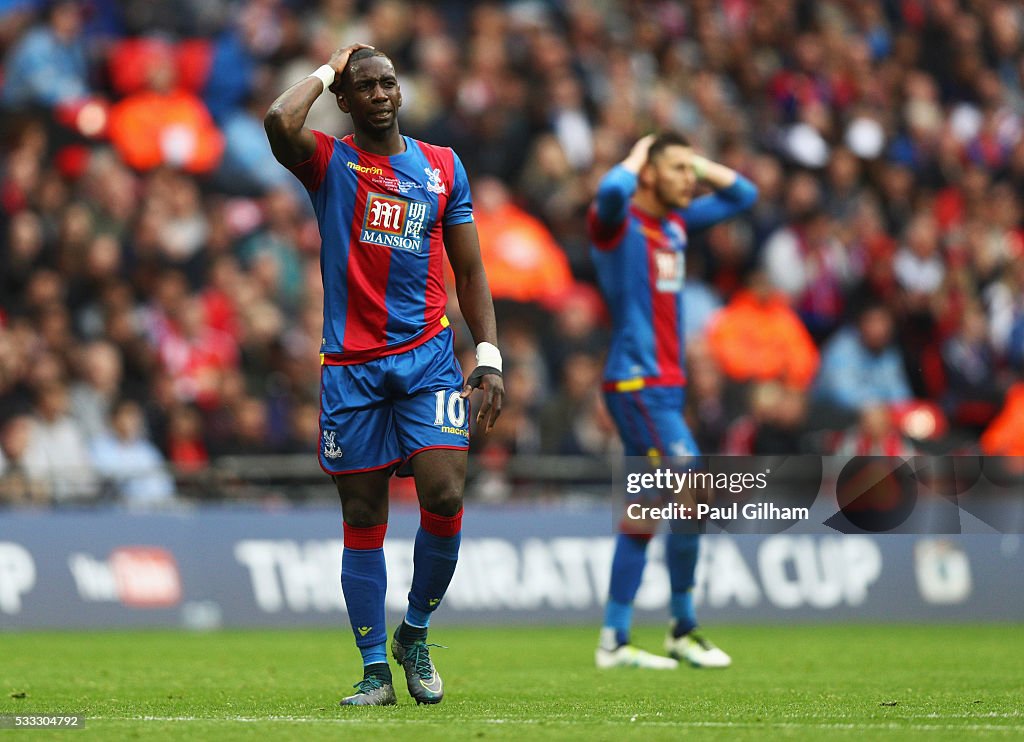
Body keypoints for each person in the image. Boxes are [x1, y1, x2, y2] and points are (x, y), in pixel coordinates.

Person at [264, 44, 504, 706]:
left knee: (446, 495)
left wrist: (488, 355)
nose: (379, 93)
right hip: (352, 368)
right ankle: (374, 671)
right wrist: (325, 67)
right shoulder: (329, 162)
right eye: (364, 85)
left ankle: (415, 634)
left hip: (428, 359)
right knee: (363, 512)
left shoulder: (442, 167)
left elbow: (472, 271)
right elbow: (278, 124)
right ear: (344, 99)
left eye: (388, 83)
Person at [588, 133, 757, 669]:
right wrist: (640, 156)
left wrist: (692, 159)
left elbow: (744, 196)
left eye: (693, 170)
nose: (692, 178)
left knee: (648, 511)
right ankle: (682, 627)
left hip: (665, 386)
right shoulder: (617, 226)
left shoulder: (676, 224)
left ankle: (615, 638)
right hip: (637, 382)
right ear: (652, 176)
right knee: (693, 484)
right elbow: (611, 191)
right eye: (679, 169)